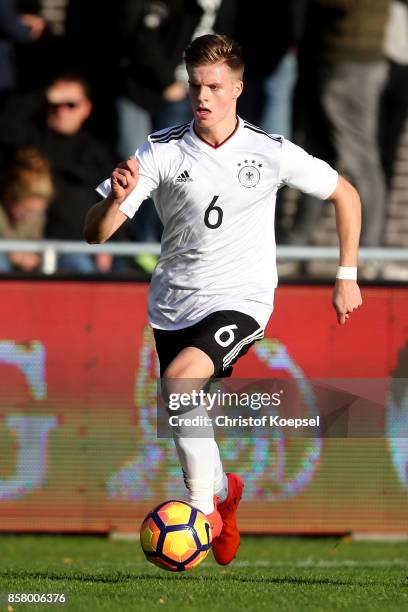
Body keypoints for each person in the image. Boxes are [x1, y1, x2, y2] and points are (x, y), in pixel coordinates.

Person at [84, 34, 363, 565]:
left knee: (182, 381)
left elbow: (345, 194)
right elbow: (97, 233)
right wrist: (115, 202)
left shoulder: (269, 150)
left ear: (237, 87)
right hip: (172, 305)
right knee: (189, 407)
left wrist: (346, 274)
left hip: (243, 297)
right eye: (195, 86)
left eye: (214, 86)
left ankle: (199, 511)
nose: (203, 97)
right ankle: (223, 494)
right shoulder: (160, 151)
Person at [0, 73, 119, 273]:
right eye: (55, 103)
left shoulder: (97, 152)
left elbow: (115, 200)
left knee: (82, 269)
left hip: (74, 248)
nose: (62, 111)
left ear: (86, 108)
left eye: (70, 104)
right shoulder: (27, 139)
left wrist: (109, 241)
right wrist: (44, 94)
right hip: (20, 243)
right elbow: (5, 125)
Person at [0, 146, 53, 272]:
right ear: (8, 198)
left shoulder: (39, 217)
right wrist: (12, 255)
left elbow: (36, 246)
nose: (31, 217)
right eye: (26, 211)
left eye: (36, 212)